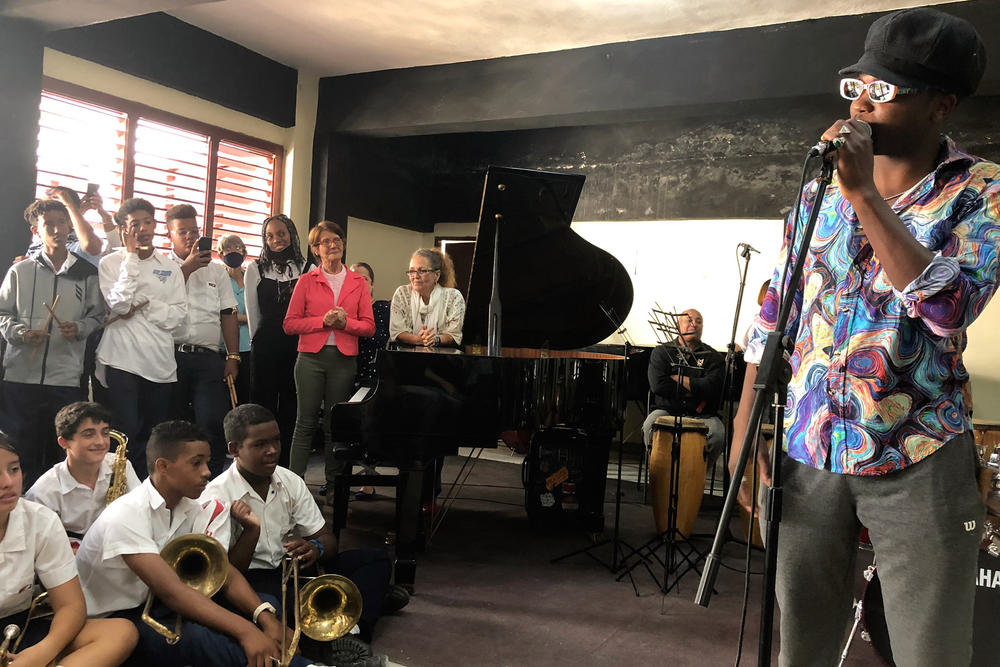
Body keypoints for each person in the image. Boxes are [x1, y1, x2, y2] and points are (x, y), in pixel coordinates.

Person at [732, 9, 999, 666]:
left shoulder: (982, 192)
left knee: (929, 650)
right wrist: (743, 429)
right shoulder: (815, 192)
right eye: (857, 84)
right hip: (807, 447)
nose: (859, 103)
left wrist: (864, 199)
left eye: (883, 91)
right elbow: (774, 320)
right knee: (802, 642)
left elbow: (947, 307)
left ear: (942, 104)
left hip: (919, 454)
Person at [75, 420, 324, 667]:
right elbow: (173, 592)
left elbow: (224, 571)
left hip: (157, 604)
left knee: (267, 604)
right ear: (163, 466)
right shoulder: (127, 515)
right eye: (196, 463)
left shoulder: (192, 506)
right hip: (114, 619)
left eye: (206, 461)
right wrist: (247, 631)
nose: (207, 471)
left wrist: (265, 618)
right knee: (200, 639)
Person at [204, 404, 409, 666]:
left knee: (374, 559)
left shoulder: (289, 481)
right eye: (260, 445)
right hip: (249, 580)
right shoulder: (216, 495)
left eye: (277, 440)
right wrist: (251, 531)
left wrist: (316, 548)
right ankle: (362, 608)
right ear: (234, 449)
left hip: (292, 568)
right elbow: (227, 575)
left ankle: (354, 631)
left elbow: (328, 539)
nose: (273, 450)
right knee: (269, 608)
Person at [0, 434, 138, 666]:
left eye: (13, 469)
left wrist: (43, 651)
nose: (7, 481)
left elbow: (70, 605)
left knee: (120, 632)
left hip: (18, 626)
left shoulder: (39, 520)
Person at [0, 198, 104, 486]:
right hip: (20, 376)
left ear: (70, 226)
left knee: (62, 452)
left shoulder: (86, 274)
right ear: (37, 230)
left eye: (62, 223)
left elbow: (97, 316)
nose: (57, 229)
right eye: (49, 224)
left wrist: (80, 328)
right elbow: (2, 314)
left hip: (66, 377)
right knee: (21, 449)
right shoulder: (20, 272)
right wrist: (21, 333)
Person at [96, 198, 187, 477]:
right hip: (121, 360)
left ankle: (148, 492)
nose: (143, 229)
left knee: (153, 436)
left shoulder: (170, 268)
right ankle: (118, 492)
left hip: (159, 364)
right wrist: (132, 258)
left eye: (148, 222)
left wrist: (147, 303)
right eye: (135, 224)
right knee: (125, 432)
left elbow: (178, 317)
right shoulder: (111, 262)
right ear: (123, 228)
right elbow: (120, 305)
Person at [284, 221, 375, 494]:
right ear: (315, 249)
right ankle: (294, 491)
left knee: (334, 428)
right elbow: (289, 324)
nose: (333, 245)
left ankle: (335, 489)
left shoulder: (358, 282)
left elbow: (369, 327)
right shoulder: (306, 281)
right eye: (326, 242)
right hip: (310, 359)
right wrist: (323, 321)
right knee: (305, 423)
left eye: (337, 240)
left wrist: (345, 324)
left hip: (344, 361)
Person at [164, 204, 240, 476]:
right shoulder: (162, 267)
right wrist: (186, 269)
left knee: (211, 421)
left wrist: (233, 356)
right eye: (181, 232)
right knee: (172, 424)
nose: (189, 237)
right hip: (169, 355)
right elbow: (157, 302)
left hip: (208, 357)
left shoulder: (217, 271)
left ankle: (213, 480)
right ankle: (174, 480)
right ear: (169, 235)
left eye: (193, 231)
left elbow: (229, 312)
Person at [245, 214, 314, 468]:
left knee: (291, 405)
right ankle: (258, 463)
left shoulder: (309, 269)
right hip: (265, 345)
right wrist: (257, 342)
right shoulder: (255, 268)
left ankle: (286, 466)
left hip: (298, 346)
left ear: (292, 234)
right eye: (270, 236)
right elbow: (253, 313)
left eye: (281, 233)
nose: (276, 240)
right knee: (262, 404)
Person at [25, 401, 140, 547]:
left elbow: (140, 510)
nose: (100, 442)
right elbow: (40, 544)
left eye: (105, 433)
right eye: (89, 435)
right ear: (64, 442)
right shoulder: (43, 492)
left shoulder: (121, 466)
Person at [642, 308, 725, 465]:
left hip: (703, 415)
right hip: (667, 410)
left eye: (698, 321)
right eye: (689, 320)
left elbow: (712, 388)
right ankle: (659, 474)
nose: (694, 324)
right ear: (678, 325)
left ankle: (696, 478)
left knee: (718, 433)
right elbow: (658, 386)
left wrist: (678, 379)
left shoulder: (714, 357)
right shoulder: (661, 352)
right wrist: (694, 388)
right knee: (649, 427)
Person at [388, 247, 465, 348]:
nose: (415, 276)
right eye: (412, 271)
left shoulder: (453, 297)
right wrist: (418, 340)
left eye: (422, 271)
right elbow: (397, 331)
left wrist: (435, 339)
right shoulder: (402, 293)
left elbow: (453, 334)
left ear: (436, 275)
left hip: (443, 356)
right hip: (406, 355)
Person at [219, 234, 253, 404]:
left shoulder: (252, 278)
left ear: (244, 253)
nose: (233, 251)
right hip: (226, 347)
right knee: (227, 397)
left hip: (250, 345)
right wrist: (245, 318)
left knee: (248, 394)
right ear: (220, 255)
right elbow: (220, 312)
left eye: (237, 247)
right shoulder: (219, 279)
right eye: (228, 248)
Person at [351, 262, 390, 389]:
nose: (358, 283)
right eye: (353, 279)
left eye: (364, 279)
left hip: (373, 378)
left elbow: (380, 339)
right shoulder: (341, 312)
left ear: (372, 284)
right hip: (344, 374)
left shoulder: (382, 308)